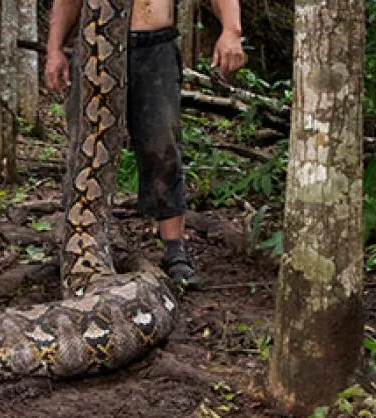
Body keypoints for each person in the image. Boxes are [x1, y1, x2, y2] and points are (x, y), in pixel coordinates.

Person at [45, 0, 245, 289]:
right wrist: (54, 50)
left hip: (154, 47)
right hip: (94, 49)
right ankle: (75, 245)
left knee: (162, 148)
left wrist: (231, 29)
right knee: (85, 148)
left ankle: (175, 252)